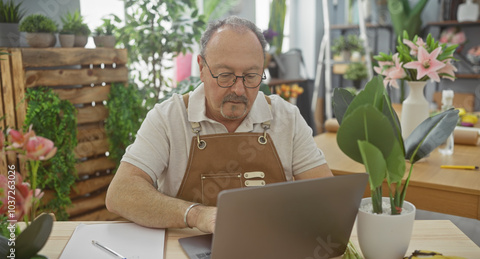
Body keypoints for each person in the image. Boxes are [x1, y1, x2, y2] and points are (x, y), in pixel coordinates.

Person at [105, 16, 333, 234]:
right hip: (185, 251)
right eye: (225, 75)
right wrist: (196, 215)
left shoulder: (287, 118)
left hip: (271, 247)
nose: (239, 90)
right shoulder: (168, 118)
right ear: (202, 68)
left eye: (251, 76)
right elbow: (121, 193)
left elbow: (327, 196)